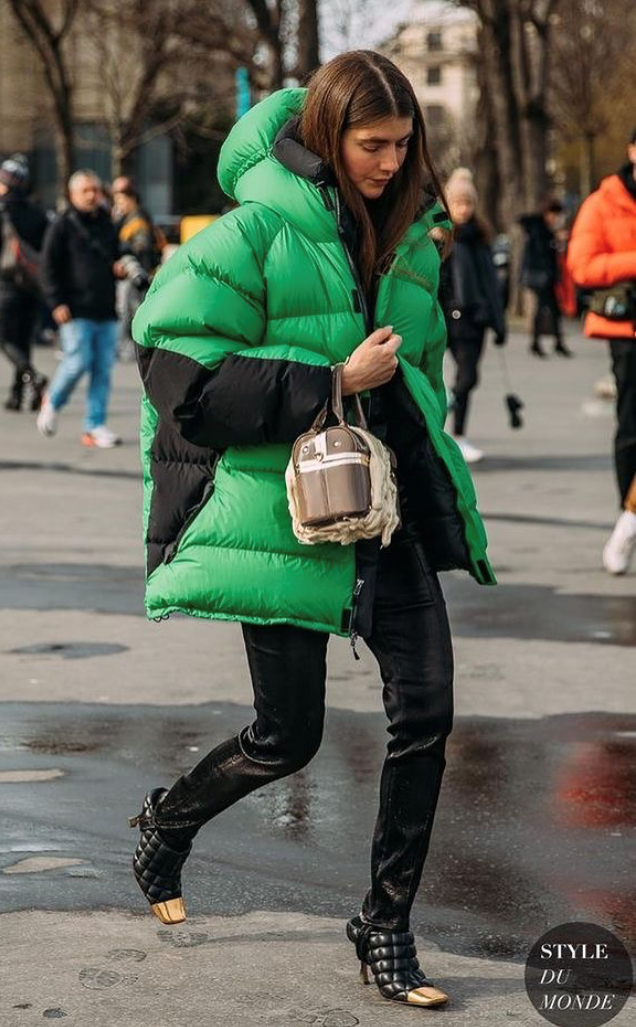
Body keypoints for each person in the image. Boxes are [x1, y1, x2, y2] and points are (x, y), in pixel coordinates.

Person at [128, 50, 495, 1009]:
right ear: (328, 136)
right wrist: (331, 382)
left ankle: (385, 924)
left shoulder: (417, 236)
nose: (388, 161)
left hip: (388, 511)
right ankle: (170, 821)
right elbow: (184, 388)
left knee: (426, 713)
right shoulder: (250, 234)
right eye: (372, 144)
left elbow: (423, 372)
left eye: (403, 144)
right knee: (287, 737)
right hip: (288, 517)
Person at [567, 128, 636, 575]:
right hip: (628, 331)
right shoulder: (603, 202)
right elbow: (582, 266)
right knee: (631, 428)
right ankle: (627, 518)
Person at [36, 170, 127, 447]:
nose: (91, 196)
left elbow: (117, 253)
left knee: (102, 368)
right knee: (77, 361)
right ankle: (53, 399)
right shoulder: (62, 225)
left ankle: (95, 425)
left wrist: (121, 267)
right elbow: (47, 266)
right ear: (72, 195)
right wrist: (56, 302)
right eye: (85, 191)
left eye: (94, 190)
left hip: (104, 307)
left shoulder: (106, 223)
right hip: (75, 308)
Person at [440, 168, 506, 464]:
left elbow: (491, 283)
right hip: (449, 317)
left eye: (468, 203)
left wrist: (498, 321)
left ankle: (459, 434)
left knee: (469, 378)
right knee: (460, 378)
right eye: (458, 202)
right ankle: (447, 424)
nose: (463, 209)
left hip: (475, 318)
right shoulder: (439, 237)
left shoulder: (480, 237)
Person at [0, 156, 49, 412]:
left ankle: (33, 377)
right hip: (32, 284)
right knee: (23, 340)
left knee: (3, 338)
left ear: (4, 184)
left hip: (7, 282)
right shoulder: (37, 212)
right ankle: (18, 395)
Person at [519, 198, 571, 358]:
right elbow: (541, 251)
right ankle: (539, 343)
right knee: (542, 310)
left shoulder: (544, 229)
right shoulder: (539, 229)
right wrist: (554, 240)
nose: (556, 219)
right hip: (540, 276)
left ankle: (555, 342)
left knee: (552, 310)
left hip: (546, 276)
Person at [113, 181, 157, 361]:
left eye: (122, 201)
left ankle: (129, 345)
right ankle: (130, 345)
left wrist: (128, 255)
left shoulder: (137, 219)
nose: (119, 205)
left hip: (138, 272)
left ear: (131, 199)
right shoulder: (127, 217)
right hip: (133, 271)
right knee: (129, 309)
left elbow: (142, 246)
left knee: (129, 309)